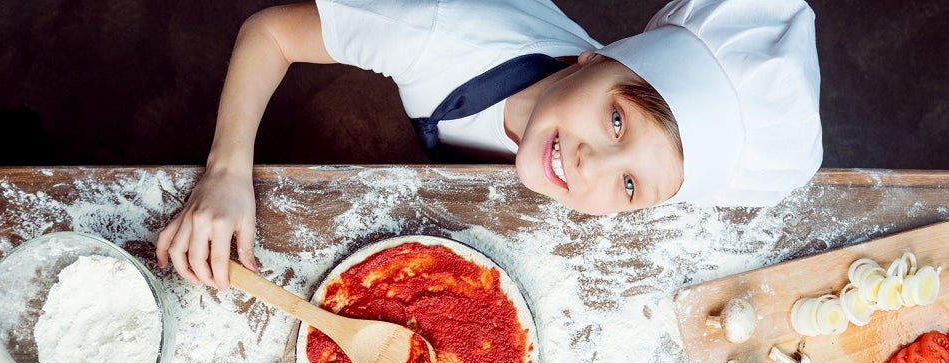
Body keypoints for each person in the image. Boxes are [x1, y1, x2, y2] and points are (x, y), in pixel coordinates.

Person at [156, 0, 822, 291]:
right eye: (617, 123)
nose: (593, 166)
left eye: (629, 187)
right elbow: (269, 33)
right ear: (592, 58)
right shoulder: (438, 32)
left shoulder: (575, 133)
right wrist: (225, 172)